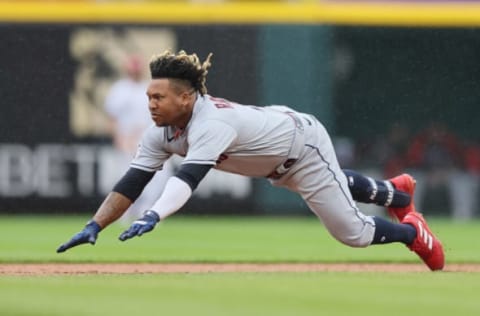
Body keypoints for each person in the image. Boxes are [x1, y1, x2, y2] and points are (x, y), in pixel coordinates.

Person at [57, 50, 444, 271]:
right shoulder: (160, 133)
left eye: (159, 98)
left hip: (302, 146)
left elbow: (187, 180)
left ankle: (414, 233)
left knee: (353, 234)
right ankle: (394, 192)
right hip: (273, 150)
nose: (151, 105)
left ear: (187, 98)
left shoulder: (209, 123)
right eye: (149, 98)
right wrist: (96, 224)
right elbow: (131, 183)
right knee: (333, 184)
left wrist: (153, 215)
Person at [103, 54, 173, 224]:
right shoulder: (119, 90)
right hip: (127, 139)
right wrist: (118, 138)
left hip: (148, 139)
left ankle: (148, 210)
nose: (135, 73)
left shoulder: (148, 88)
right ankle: (121, 211)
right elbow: (112, 118)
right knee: (126, 177)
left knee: (160, 175)